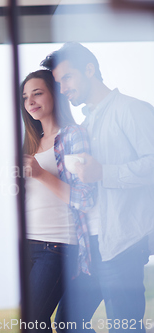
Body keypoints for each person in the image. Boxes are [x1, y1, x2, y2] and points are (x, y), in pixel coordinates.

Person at [42, 42, 154, 332]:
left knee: (125, 328)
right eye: (58, 82)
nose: (63, 88)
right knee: (69, 323)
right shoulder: (86, 123)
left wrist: (104, 172)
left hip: (121, 245)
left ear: (89, 70)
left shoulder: (132, 110)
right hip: (89, 247)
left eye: (67, 78)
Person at [21, 69, 95, 332]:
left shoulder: (72, 135)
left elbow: (84, 198)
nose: (30, 101)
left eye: (37, 93)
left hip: (59, 245)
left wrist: (39, 174)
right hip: (29, 243)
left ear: (56, 94)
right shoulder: (32, 142)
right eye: (26, 96)